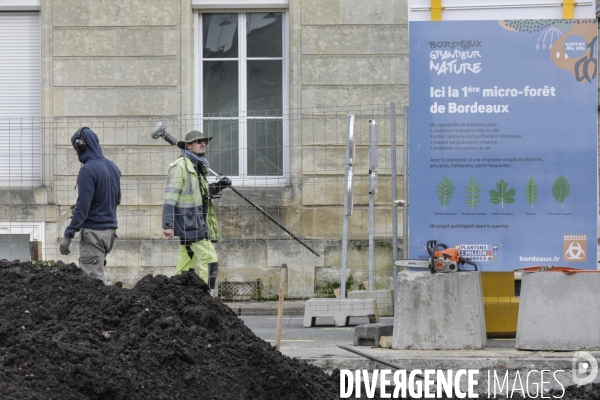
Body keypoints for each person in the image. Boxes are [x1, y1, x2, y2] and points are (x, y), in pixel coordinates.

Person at [162, 130, 231, 293]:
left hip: (197, 221)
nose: (203, 144)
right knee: (210, 259)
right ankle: (207, 298)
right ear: (188, 145)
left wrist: (219, 186)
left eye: (204, 141)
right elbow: (170, 198)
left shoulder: (198, 166)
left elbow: (201, 193)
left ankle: (175, 295)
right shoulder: (180, 166)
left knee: (186, 264)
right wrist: (167, 224)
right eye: (198, 141)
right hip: (190, 224)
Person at [59, 127, 121, 282]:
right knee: (97, 280)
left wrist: (69, 233)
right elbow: (116, 199)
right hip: (110, 233)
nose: (75, 152)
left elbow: (83, 206)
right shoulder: (113, 167)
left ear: (82, 145)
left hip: (94, 234)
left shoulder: (87, 170)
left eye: (76, 147)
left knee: (92, 286)